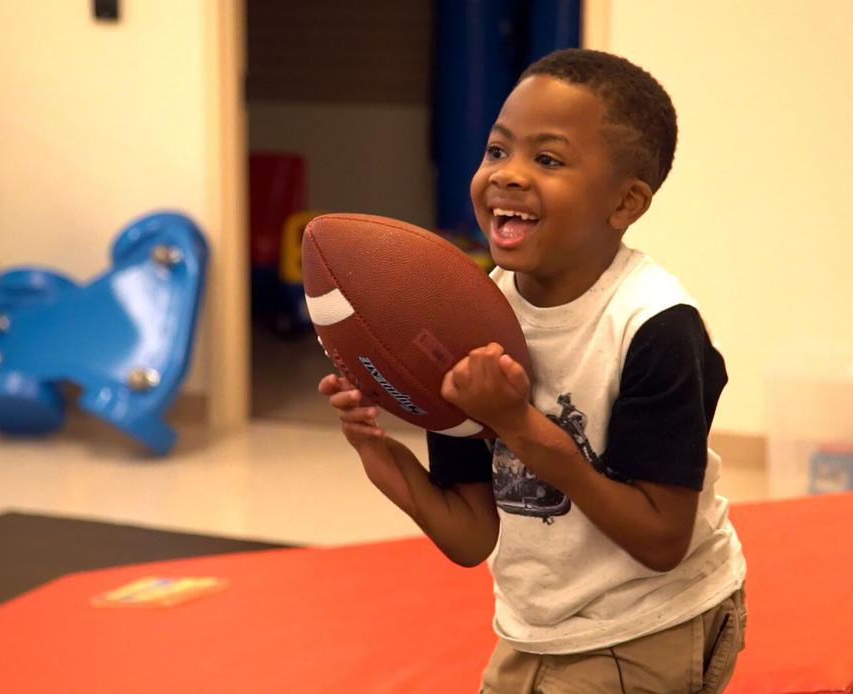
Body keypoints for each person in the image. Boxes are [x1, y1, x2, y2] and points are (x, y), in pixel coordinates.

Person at [320, 48, 747, 693]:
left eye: (547, 159)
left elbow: (660, 541)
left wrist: (516, 423)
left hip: (650, 625)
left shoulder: (655, 328)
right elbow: (470, 536)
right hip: (535, 627)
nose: (507, 175)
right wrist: (379, 455)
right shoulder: (467, 317)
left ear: (626, 203)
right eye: (497, 150)